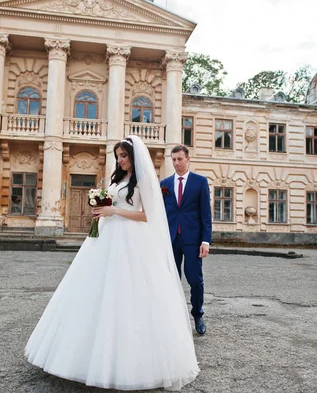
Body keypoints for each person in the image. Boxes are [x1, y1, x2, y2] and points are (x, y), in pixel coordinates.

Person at [25, 136, 199, 391]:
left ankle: (130, 362)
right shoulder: (118, 179)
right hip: (106, 237)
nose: (120, 160)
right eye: (118, 156)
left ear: (134, 157)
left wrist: (114, 211)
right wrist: (102, 207)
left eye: (124, 156)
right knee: (92, 289)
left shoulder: (145, 182)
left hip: (132, 241)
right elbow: (113, 203)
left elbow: (148, 215)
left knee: (129, 293)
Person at [160, 145, 212, 335]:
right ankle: (173, 318)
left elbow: (206, 214)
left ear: (188, 159)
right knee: (171, 280)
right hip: (171, 240)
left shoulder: (200, 182)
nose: (176, 163)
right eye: (173, 159)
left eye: (179, 159)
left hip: (192, 240)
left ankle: (198, 315)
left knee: (195, 280)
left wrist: (206, 241)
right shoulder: (164, 184)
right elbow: (161, 213)